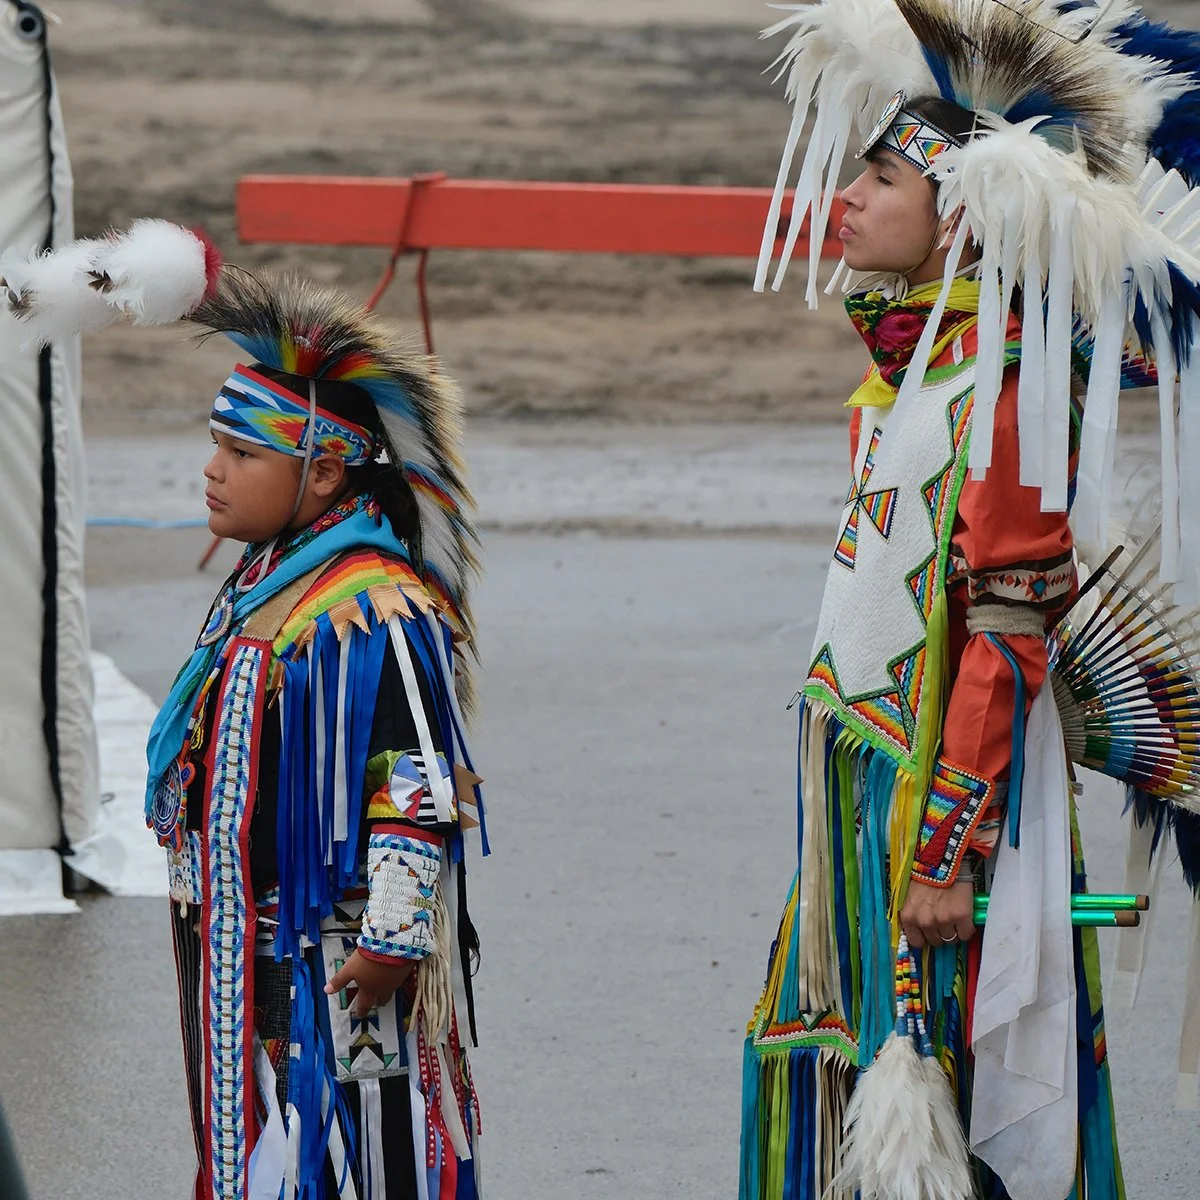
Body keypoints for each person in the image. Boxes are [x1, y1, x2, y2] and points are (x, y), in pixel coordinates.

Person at [740, 4, 1200, 1199]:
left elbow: (1006, 636)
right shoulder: (919, 372)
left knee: (945, 1092)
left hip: (936, 817)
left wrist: (945, 854)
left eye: (880, 179)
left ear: (960, 220)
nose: (846, 200)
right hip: (862, 800)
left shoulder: (1006, 392)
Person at [2, 225, 487, 1199]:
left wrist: (391, 940)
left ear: (324, 472)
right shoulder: (270, 583)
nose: (212, 470)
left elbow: (418, 782)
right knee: (258, 1148)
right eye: (215, 446)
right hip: (242, 948)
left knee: (355, 1153)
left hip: (334, 956)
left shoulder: (374, 607)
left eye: (241, 451)